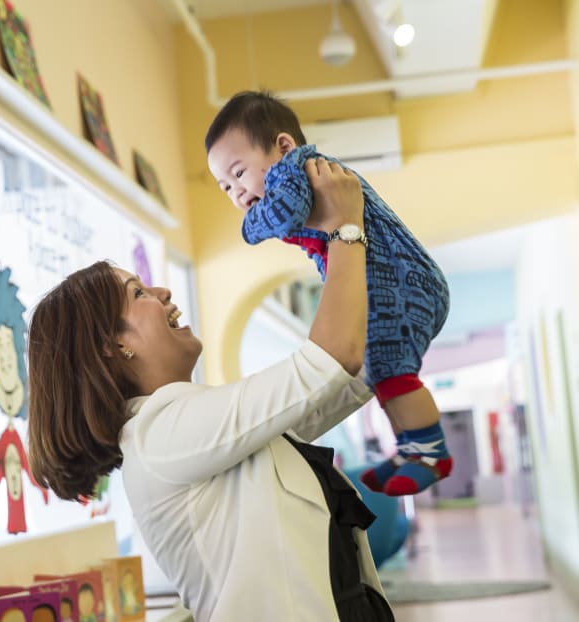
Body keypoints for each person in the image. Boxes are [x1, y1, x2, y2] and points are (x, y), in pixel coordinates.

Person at [27, 158, 394, 621]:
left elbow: (341, 375)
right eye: (138, 293)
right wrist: (343, 227)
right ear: (112, 346)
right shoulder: (158, 434)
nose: (162, 292)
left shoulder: (193, 422)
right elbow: (326, 363)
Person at [205, 90, 452, 497]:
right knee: (380, 369)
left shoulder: (297, 170)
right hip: (388, 289)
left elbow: (282, 212)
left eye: (239, 172)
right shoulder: (299, 174)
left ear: (283, 146)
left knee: (391, 368)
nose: (236, 191)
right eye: (224, 186)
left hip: (404, 285)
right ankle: (409, 446)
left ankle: (431, 452)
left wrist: (249, 227)